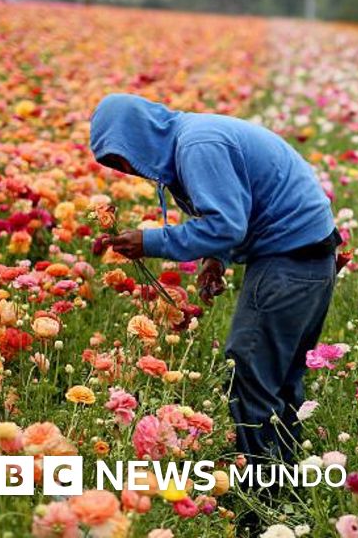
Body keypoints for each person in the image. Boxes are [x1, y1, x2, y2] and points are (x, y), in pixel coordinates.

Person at [89, 94, 339, 469]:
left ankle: (265, 490)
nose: (126, 169)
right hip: (308, 257)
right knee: (278, 377)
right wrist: (216, 259)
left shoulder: (197, 145)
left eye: (121, 157)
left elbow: (226, 224)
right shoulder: (188, 139)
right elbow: (238, 204)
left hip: (289, 259)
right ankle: (285, 479)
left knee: (249, 372)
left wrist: (149, 241)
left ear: (139, 134)